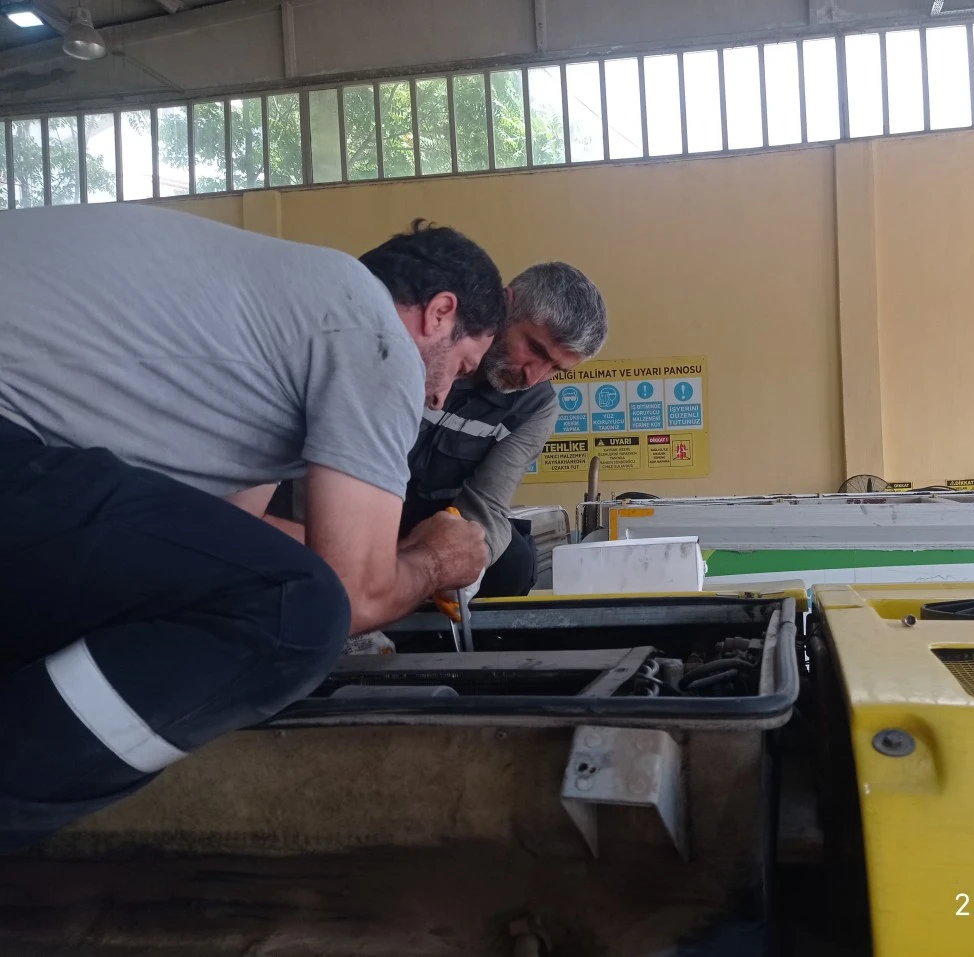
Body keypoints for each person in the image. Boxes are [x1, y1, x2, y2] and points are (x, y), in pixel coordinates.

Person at [0, 205, 502, 850]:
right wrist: (433, 561)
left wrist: (387, 554)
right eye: (461, 367)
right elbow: (352, 594)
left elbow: (224, 544)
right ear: (439, 313)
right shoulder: (372, 332)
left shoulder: (279, 317)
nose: (439, 399)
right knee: (299, 612)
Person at [268, 262, 608, 598]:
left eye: (556, 369)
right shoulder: (418, 345)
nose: (534, 377)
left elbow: (487, 503)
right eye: (534, 349)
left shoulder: (536, 406)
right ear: (506, 305)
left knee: (514, 563)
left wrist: (461, 565)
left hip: (430, 524)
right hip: (342, 499)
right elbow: (328, 455)